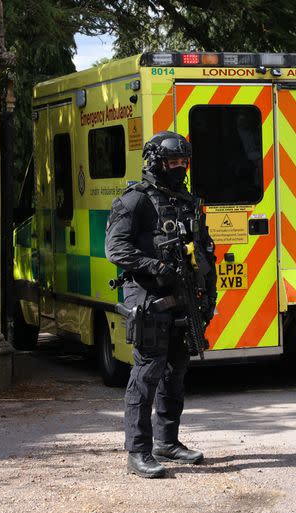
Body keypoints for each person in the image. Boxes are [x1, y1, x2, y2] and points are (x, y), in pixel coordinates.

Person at [105, 131, 217, 478]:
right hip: (149, 295)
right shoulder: (135, 200)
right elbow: (116, 249)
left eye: (183, 162)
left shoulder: (186, 200)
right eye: (172, 162)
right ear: (155, 162)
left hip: (185, 295)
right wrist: (156, 267)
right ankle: (138, 451)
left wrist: (208, 294)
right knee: (147, 371)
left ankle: (166, 442)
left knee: (176, 369)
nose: (179, 168)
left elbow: (205, 249)